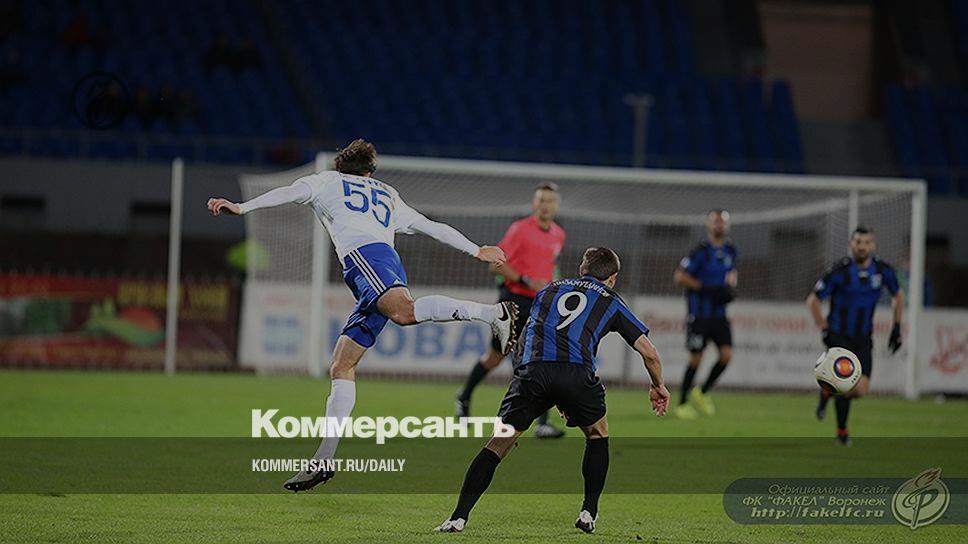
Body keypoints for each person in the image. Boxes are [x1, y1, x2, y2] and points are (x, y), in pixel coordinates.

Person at [206, 139, 520, 490]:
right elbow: (430, 225)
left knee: (404, 312)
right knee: (342, 365)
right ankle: (323, 459)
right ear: (369, 172)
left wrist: (242, 207)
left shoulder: (326, 181)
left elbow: (289, 192)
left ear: (340, 166)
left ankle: (493, 313)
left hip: (365, 259)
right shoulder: (386, 192)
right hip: (384, 260)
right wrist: (476, 249)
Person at [435, 247, 670, 534]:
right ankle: (588, 513)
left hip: (533, 371)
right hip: (576, 375)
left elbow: (528, 336)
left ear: (582, 270)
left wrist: (529, 380)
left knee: (498, 443)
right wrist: (658, 385)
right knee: (597, 434)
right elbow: (650, 354)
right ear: (613, 278)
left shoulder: (548, 290)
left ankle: (457, 518)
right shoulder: (611, 299)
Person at [455, 182, 566, 439]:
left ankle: (542, 423)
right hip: (513, 300)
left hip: (540, 304)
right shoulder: (520, 229)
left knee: (541, 358)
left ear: (556, 205)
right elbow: (495, 265)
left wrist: (553, 287)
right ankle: (464, 396)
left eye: (549, 200)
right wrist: (526, 280)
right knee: (496, 357)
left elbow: (550, 266)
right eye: (540, 200)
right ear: (534, 203)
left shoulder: (559, 234)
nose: (544, 205)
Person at [806, 225, 903, 446]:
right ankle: (842, 433)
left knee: (860, 390)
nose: (862, 247)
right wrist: (824, 328)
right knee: (846, 384)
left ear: (873, 245)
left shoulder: (882, 270)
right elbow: (813, 301)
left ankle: (826, 392)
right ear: (851, 244)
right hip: (839, 337)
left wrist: (897, 327)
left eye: (866, 242)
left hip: (863, 339)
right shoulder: (840, 271)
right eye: (858, 242)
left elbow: (898, 296)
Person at [673, 209, 737, 419]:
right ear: (709, 226)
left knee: (726, 355)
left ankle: (702, 391)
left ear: (727, 226)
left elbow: (731, 274)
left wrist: (729, 288)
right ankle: (682, 404)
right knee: (696, 358)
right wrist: (704, 287)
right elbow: (680, 277)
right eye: (715, 221)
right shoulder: (700, 252)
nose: (719, 225)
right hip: (699, 314)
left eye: (722, 222)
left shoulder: (730, 250)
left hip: (719, 314)